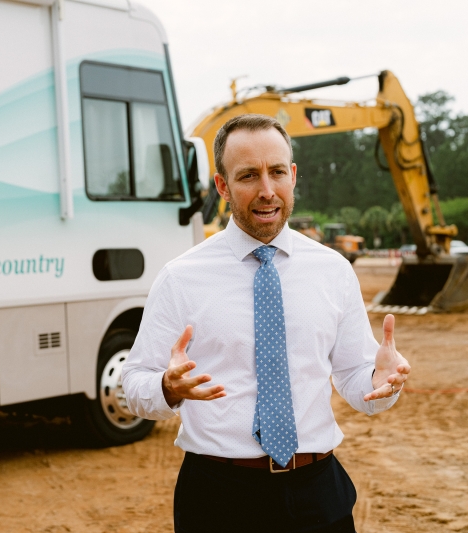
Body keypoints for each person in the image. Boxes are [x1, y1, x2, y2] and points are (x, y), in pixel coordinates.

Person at [121, 114, 410, 532]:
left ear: (292, 175)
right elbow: (133, 384)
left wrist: (379, 382)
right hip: (218, 499)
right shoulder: (180, 278)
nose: (266, 190)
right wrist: (166, 387)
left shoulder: (333, 270)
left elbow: (357, 382)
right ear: (222, 186)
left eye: (277, 172)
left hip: (317, 494)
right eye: (248, 176)